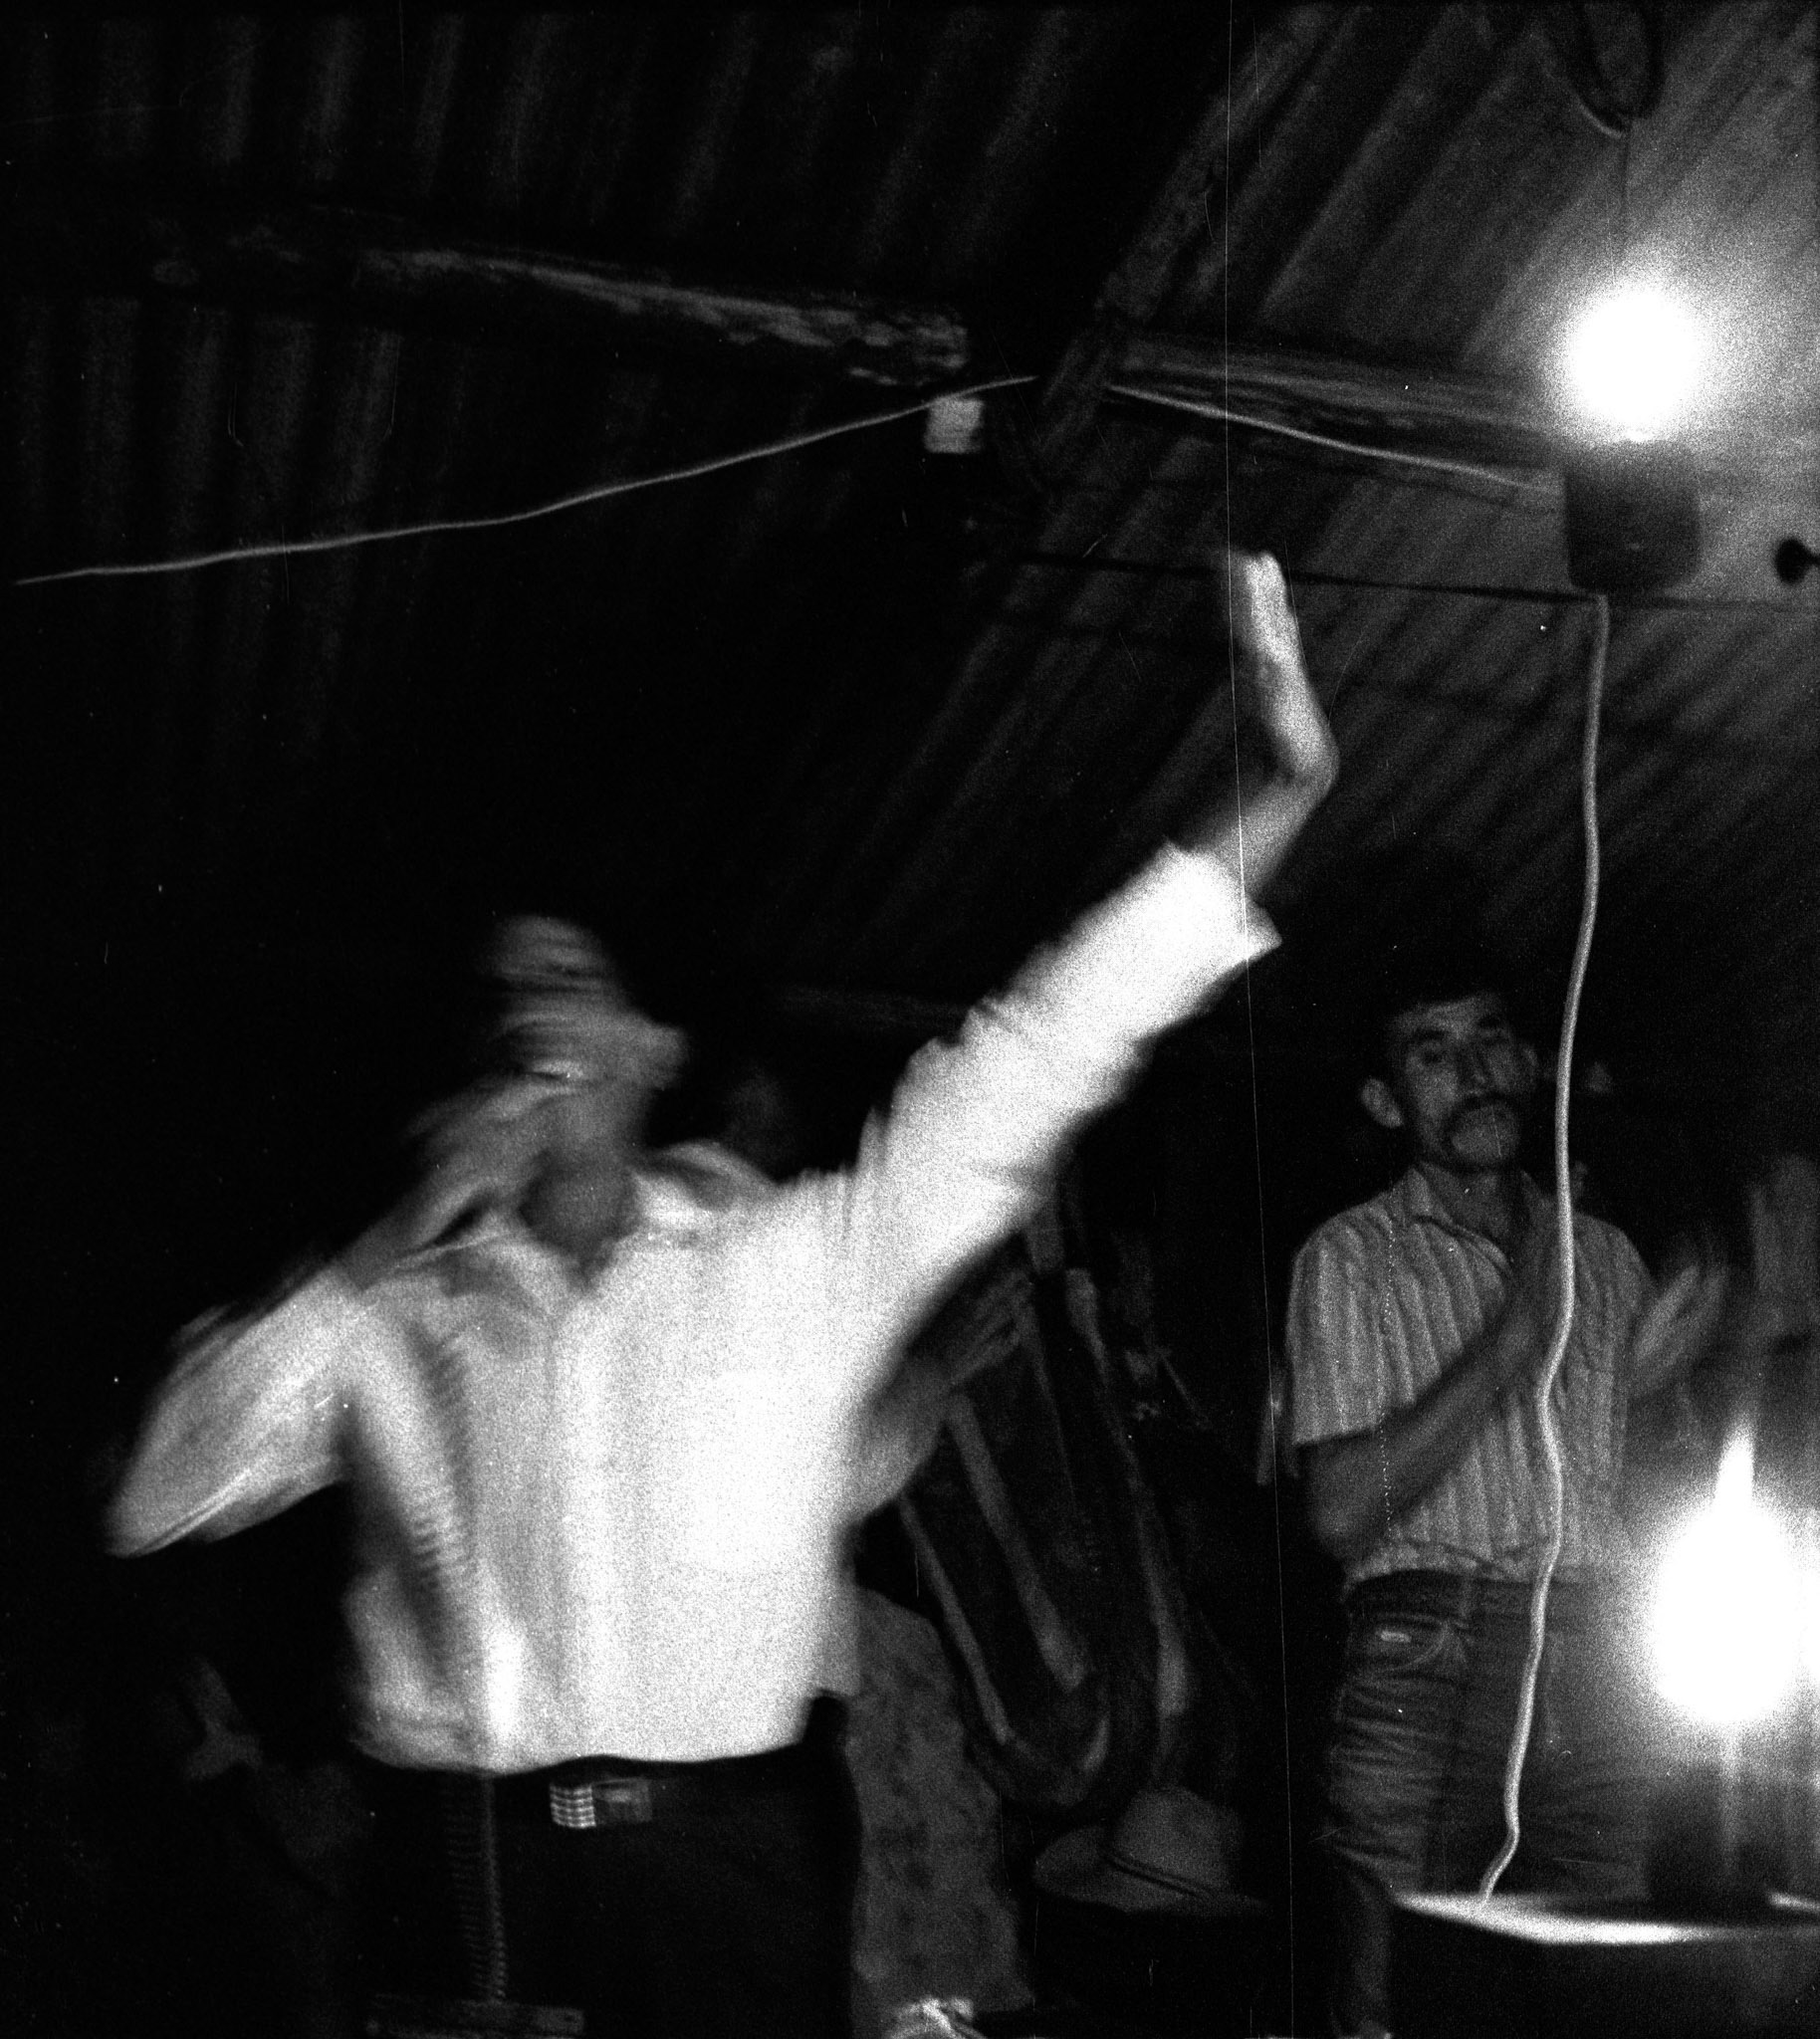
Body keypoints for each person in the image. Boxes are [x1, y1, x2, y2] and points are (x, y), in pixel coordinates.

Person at [107, 549, 1337, 2039]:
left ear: (648, 1044)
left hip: (728, 1867)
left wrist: (1257, 810)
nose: (526, 1022)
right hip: (464, 1873)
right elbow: (158, 1493)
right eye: (502, 1000)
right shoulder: (390, 1306)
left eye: (561, 983)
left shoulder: (785, 1264)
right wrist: (391, 1231)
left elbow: (1034, 1054)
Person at [1285, 955, 1726, 2039]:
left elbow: (1622, 1493)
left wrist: (1646, 1389)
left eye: (1488, 1041)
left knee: (1599, 1996)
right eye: (1430, 1054)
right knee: (1396, 2002)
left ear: (1529, 1062)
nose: (1471, 1073)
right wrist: (1516, 1337)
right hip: (1428, 1658)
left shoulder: (1608, 1255)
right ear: (1387, 1102)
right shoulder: (1350, 1258)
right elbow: (1341, 1509)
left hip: (1600, 1650)